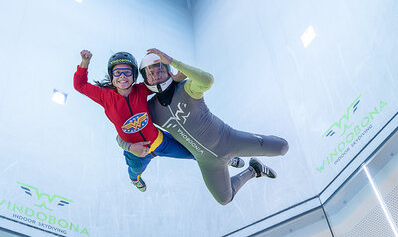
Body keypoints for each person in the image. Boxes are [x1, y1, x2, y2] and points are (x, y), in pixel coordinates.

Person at [116, 49, 289, 205]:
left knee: (282, 147)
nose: (156, 76)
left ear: (169, 71)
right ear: (145, 79)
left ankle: (235, 159)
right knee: (225, 198)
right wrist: (129, 146)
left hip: (228, 139)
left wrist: (174, 62)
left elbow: (207, 80)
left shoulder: (186, 89)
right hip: (207, 162)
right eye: (151, 73)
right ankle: (254, 170)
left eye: (160, 70)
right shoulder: (151, 109)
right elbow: (123, 132)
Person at [74, 50, 244, 192]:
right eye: (118, 73)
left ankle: (226, 158)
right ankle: (135, 180)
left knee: (195, 152)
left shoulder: (141, 90)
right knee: (135, 171)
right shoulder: (104, 97)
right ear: (112, 76)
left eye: (127, 72)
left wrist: (176, 77)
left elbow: (160, 84)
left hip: (161, 142)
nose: (123, 77)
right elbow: (80, 85)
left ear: (134, 76)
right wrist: (84, 63)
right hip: (136, 154)